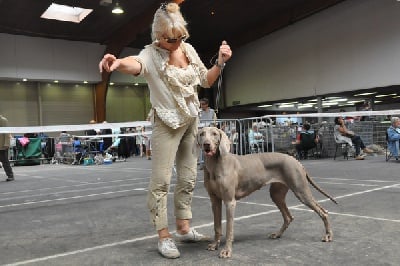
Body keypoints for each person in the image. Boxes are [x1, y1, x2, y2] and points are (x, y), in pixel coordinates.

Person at [98, 1, 232, 259]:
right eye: (171, 39)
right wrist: (116, 63)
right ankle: (164, 235)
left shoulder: (189, 49)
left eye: (181, 36)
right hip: (166, 124)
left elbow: (205, 80)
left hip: (191, 121)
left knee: (188, 177)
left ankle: (184, 227)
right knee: (161, 181)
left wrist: (221, 62)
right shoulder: (150, 54)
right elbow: (135, 64)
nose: (177, 42)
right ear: (158, 36)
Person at [0, 114, 14, 181]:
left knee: (5, 161)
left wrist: (6, 143)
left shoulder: (3, 120)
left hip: (2, 145)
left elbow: (7, 132)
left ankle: (10, 175)